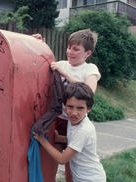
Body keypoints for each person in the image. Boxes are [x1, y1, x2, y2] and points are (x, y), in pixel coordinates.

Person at [33, 28, 101, 181]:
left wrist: (65, 74)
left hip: (75, 122)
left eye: (76, 49)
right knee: (50, 163)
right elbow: (39, 61)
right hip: (58, 120)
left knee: (72, 164)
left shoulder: (90, 69)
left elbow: (88, 91)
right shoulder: (62, 63)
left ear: (87, 53)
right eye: (69, 47)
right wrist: (38, 44)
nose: (70, 52)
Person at [33, 82, 106, 182]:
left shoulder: (84, 130)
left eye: (80, 108)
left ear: (88, 109)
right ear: (64, 106)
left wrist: (42, 140)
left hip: (90, 179)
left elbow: (62, 159)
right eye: (70, 107)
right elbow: (75, 140)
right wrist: (60, 138)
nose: (74, 113)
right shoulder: (74, 120)